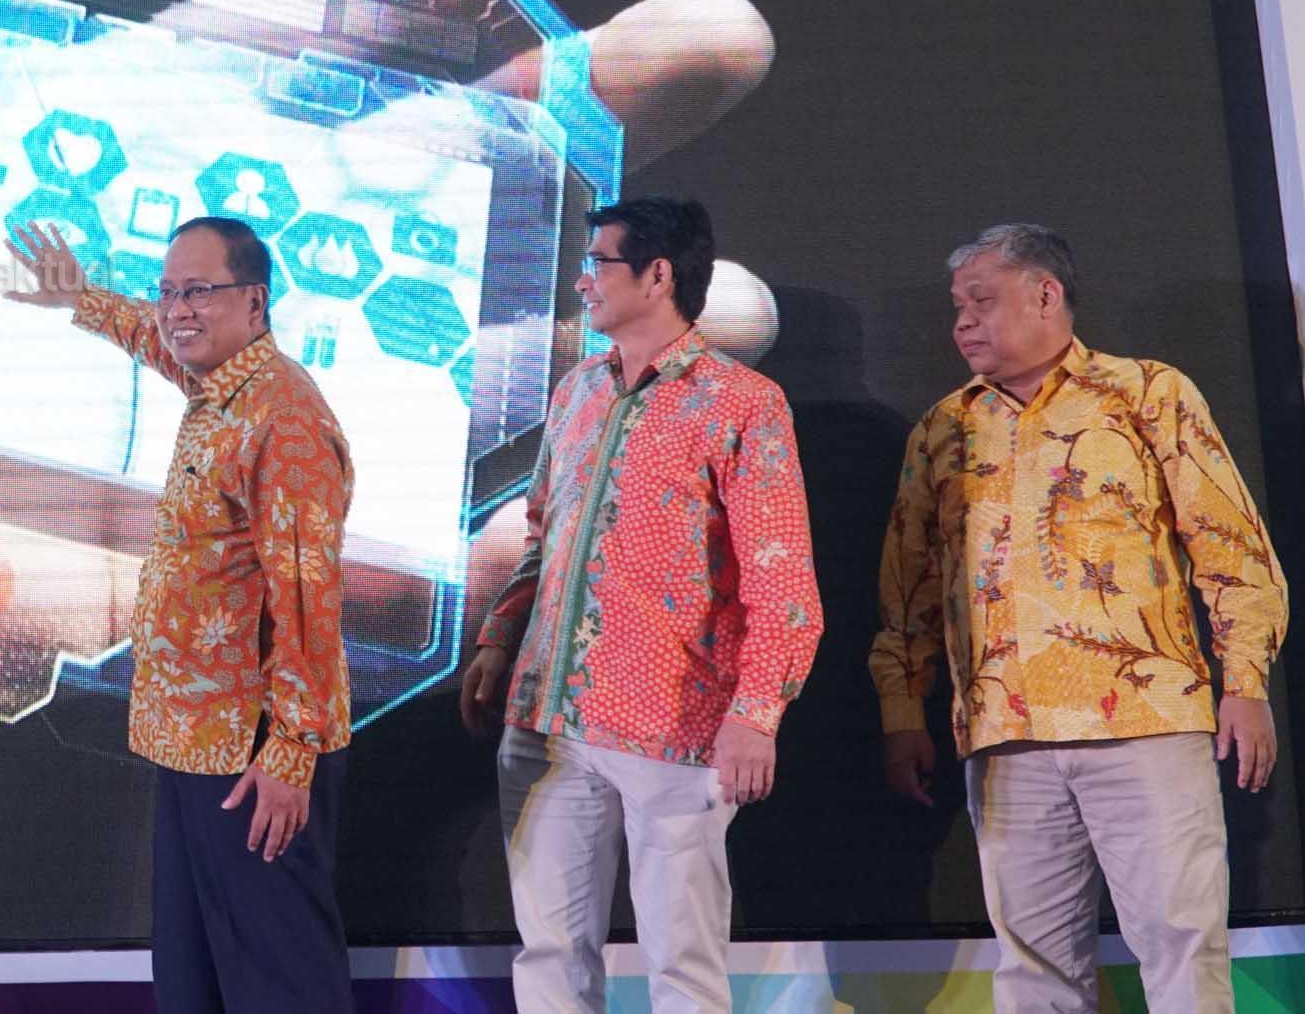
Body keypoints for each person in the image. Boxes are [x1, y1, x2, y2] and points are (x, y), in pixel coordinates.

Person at [870, 224, 1288, 1014]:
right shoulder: (944, 428)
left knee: (1180, 943)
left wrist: (1246, 681)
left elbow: (1228, 542)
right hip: (1007, 736)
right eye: (957, 308)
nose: (963, 322)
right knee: (1034, 969)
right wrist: (903, 711)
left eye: (981, 301)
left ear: (1046, 294)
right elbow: (911, 585)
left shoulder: (1147, 393)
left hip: (1145, 722)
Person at [458, 196, 820, 1014]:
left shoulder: (742, 402)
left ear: (658, 275)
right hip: (548, 718)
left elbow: (782, 581)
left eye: (598, 263)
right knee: (549, 954)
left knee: (682, 965)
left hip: (675, 726)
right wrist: (497, 639)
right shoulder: (577, 391)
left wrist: (757, 715)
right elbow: (543, 533)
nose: (582, 281)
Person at [4, 215, 354, 1014]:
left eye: (198, 291)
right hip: (197, 738)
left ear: (255, 302)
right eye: (167, 292)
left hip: (255, 749)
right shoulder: (221, 385)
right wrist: (83, 298)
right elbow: (158, 339)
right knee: (197, 979)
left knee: (281, 982)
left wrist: (291, 752)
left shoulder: (284, 420)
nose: (176, 310)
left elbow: (307, 596)